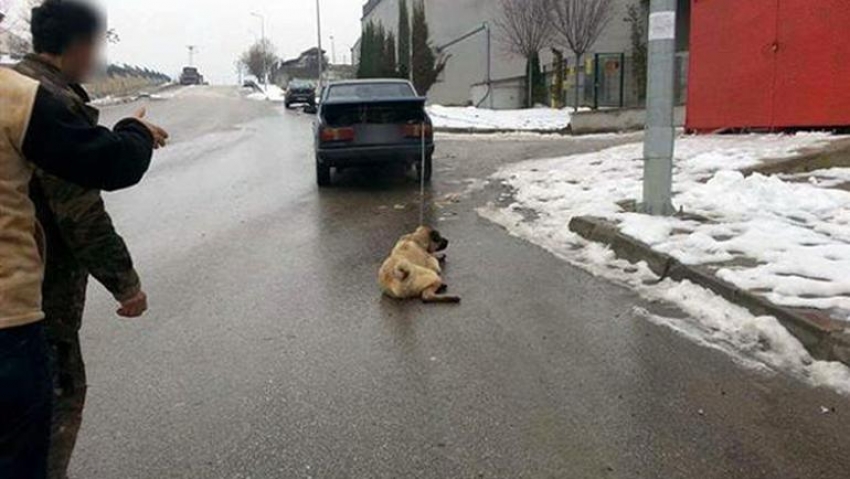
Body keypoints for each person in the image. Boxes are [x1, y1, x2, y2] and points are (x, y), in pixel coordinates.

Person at [0, 3, 168, 479]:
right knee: (49, 412)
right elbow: (80, 208)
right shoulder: (31, 100)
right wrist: (126, 283)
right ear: (78, 45)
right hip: (24, 309)